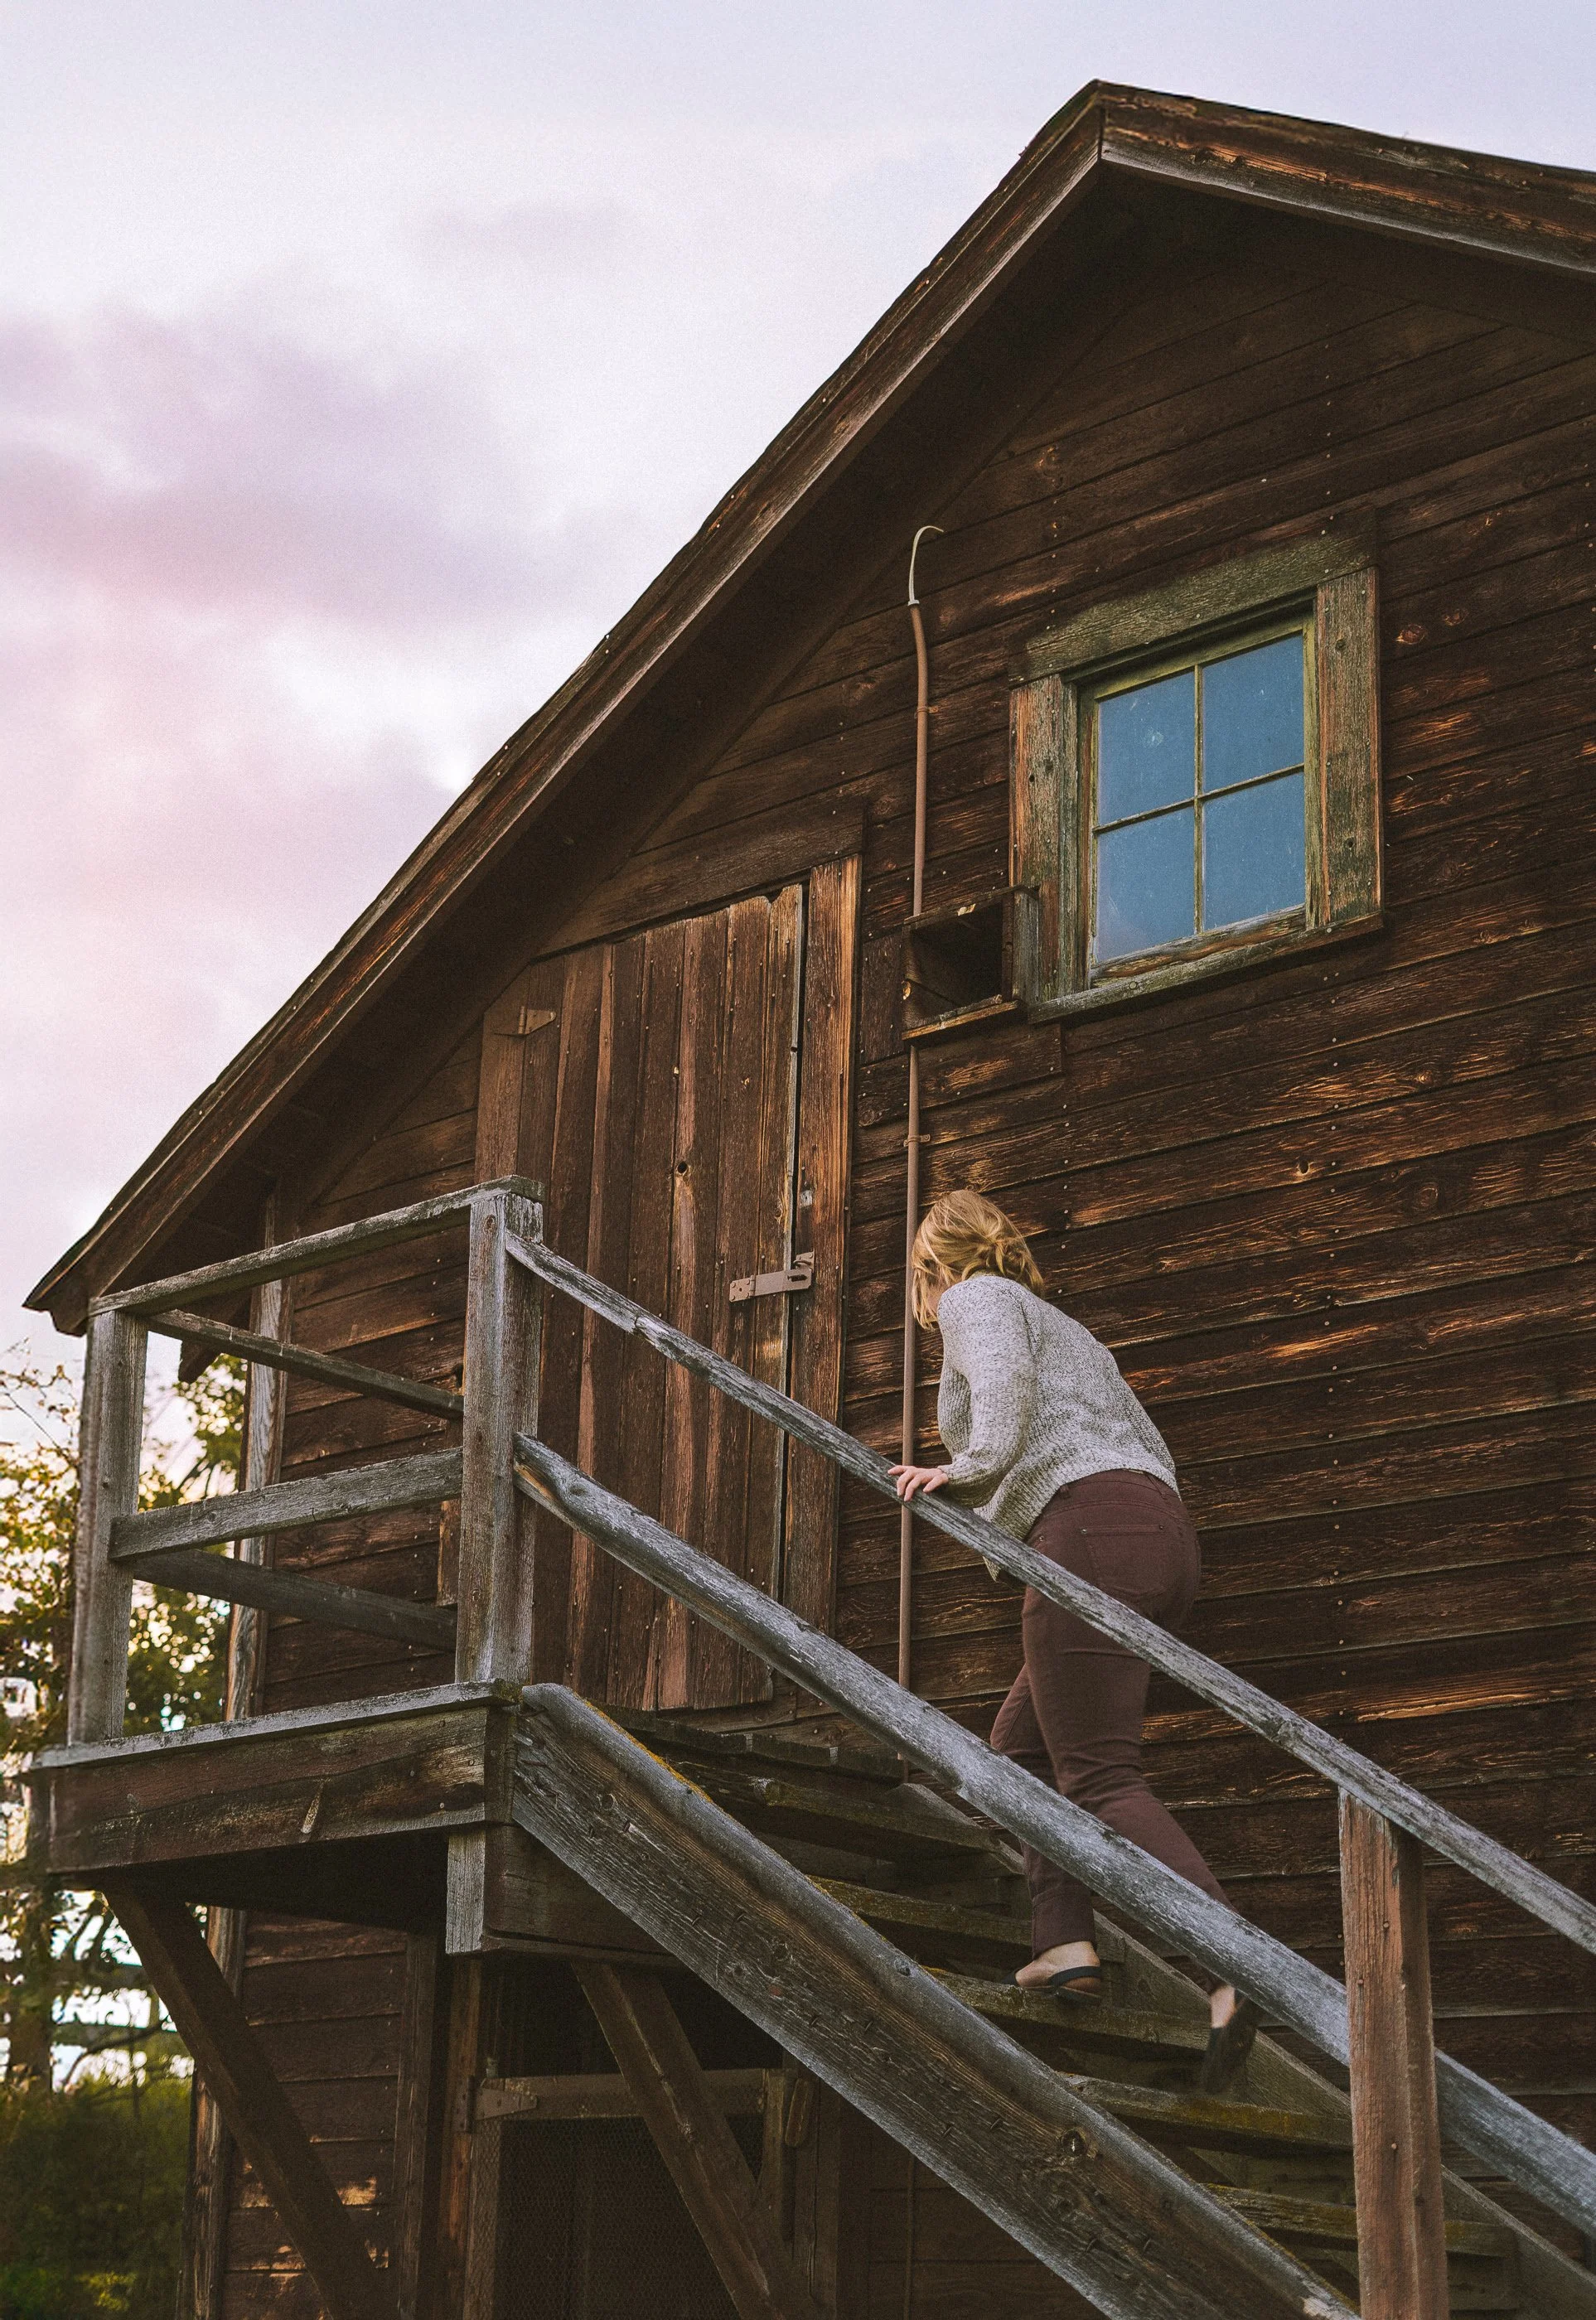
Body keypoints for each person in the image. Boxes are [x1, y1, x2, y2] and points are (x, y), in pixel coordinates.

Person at [889, 1187, 1257, 2092]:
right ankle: (1063, 1942)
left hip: (1090, 1529)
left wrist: (963, 1470)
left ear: (932, 1266)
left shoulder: (976, 1297)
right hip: (1158, 1536)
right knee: (1017, 1753)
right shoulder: (1064, 1327)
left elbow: (1004, 1400)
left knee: (1099, 1771)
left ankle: (1235, 1968)